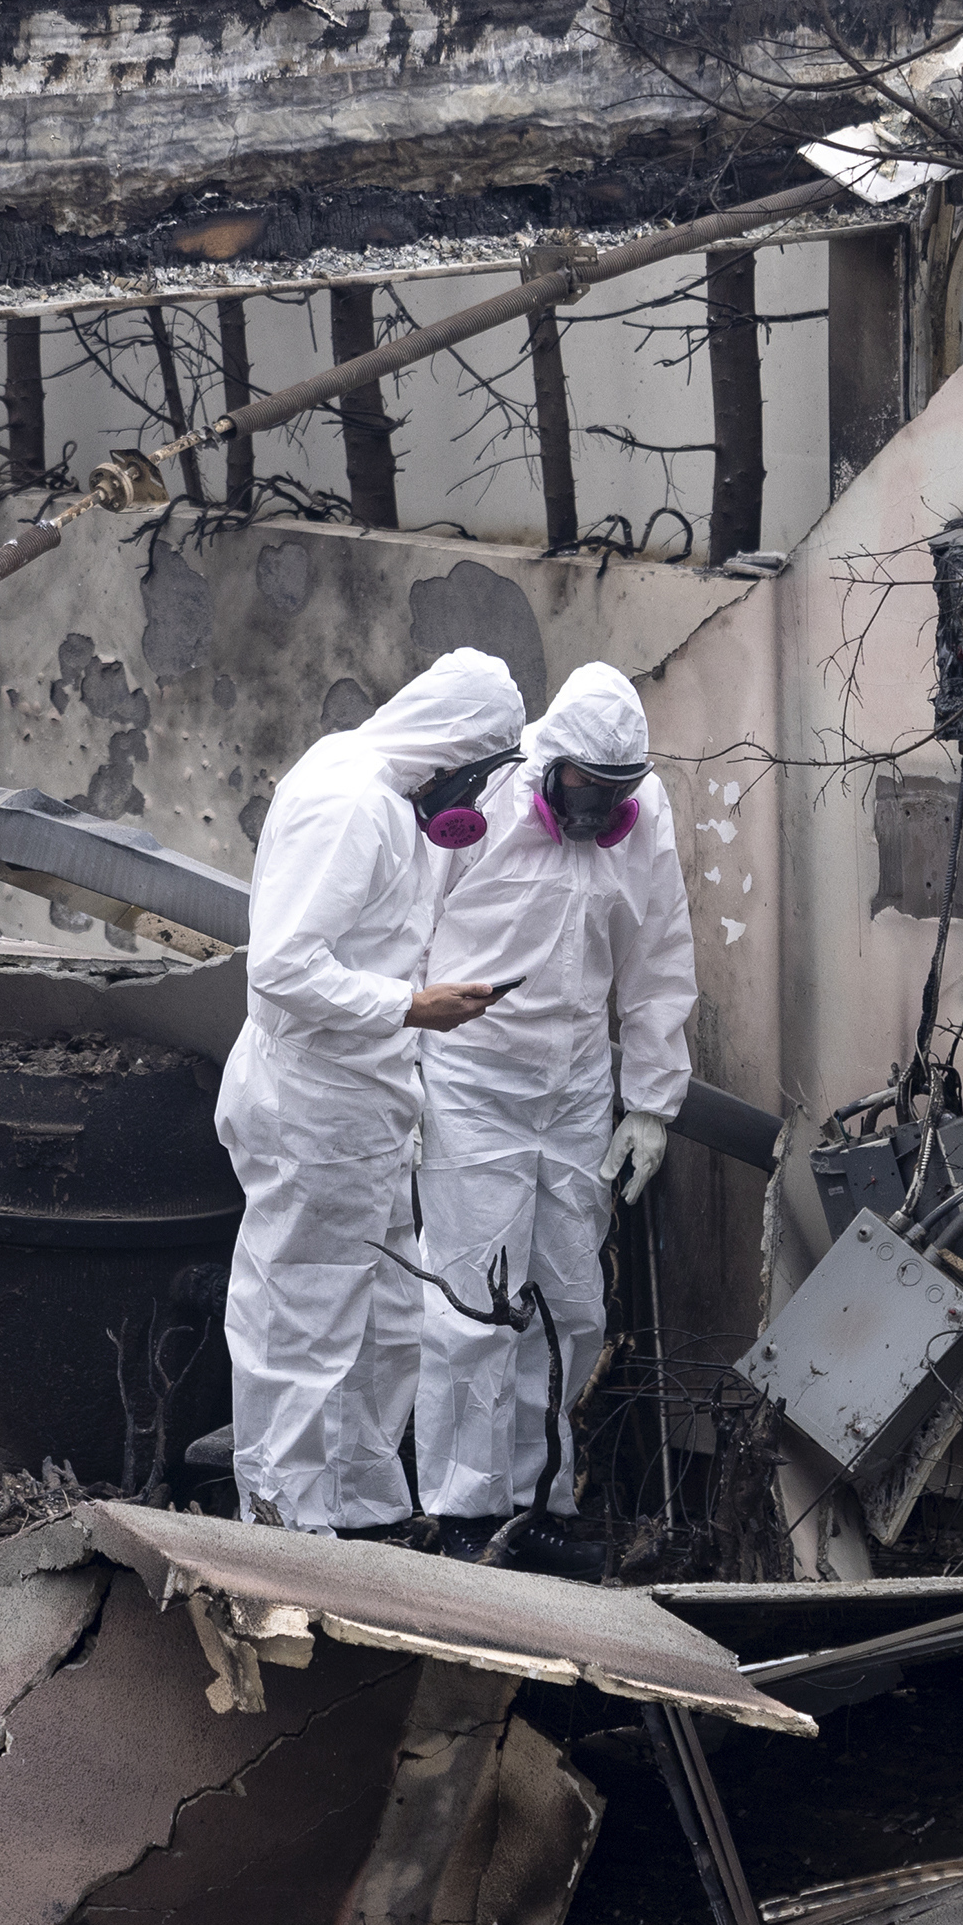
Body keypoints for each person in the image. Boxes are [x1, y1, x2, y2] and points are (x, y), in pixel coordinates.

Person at [216, 647, 529, 1533]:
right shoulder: (352, 802)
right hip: (317, 1104)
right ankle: (285, 1527)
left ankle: (361, 1510)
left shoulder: (383, 791)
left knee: (387, 1325)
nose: (470, 798)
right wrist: (411, 1005)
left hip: (367, 1108)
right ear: (450, 751)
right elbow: (282, 968)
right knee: (302, 1323)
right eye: (474, 776)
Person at [413, 662, 694, 1558]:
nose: (593, 807)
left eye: (614, 791)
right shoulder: (484, 797)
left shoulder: (645, 819)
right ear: (550, 762)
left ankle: (539, 1509)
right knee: (472, 1300)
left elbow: (660, 958)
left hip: (574, 1091)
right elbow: (407, 929)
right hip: (472, 1082)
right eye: (582, 786)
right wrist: (397, 1070)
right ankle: (462, 1511)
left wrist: (651, 1101)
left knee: (571, 1305)